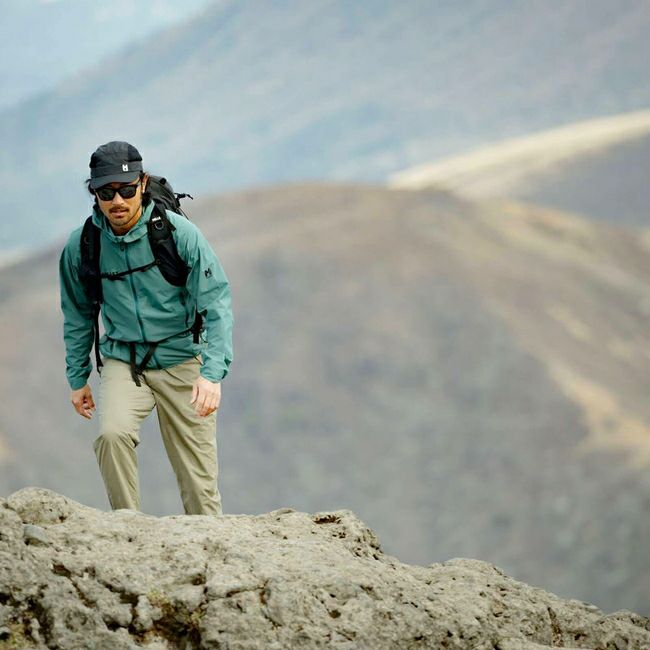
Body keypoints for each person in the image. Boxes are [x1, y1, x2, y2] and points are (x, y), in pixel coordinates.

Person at [58, 141, 233, 515]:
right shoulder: (83, 245)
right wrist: (77, 378)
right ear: (94, 193)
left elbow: (216, 302)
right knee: (111, 436)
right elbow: (77, 313)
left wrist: (212, 374)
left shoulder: (178, 234)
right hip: (125, 361)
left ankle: (209, 545)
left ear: (142, 183)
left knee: (199, 486)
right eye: (106, 192)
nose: (117, 201)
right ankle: (128, 530)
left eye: (125, 189)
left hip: (183, 359)